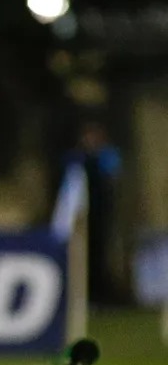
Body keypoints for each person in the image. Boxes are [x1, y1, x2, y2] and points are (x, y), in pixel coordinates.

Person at [62, 120, 122, 306]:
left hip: (101, 217)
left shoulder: (107, 156)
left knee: (99, 256)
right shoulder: (76, 158)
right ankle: (81, 296)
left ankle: (99, 296)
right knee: (79, 257)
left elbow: (112, 175)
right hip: (79, 218)